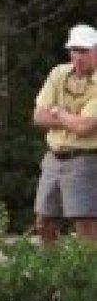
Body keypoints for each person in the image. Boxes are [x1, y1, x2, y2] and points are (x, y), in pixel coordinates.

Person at [31, 25, 97, 244]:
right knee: (43, 221)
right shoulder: (58, 73)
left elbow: (86, 127)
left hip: (87, 158)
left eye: (84, 51)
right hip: (54, 157)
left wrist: (58, 112)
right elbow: (39, 117)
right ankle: (54, 273)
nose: (78, 57)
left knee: (84, 224)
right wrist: (72, 118)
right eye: (74, 50)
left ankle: (88, 274)